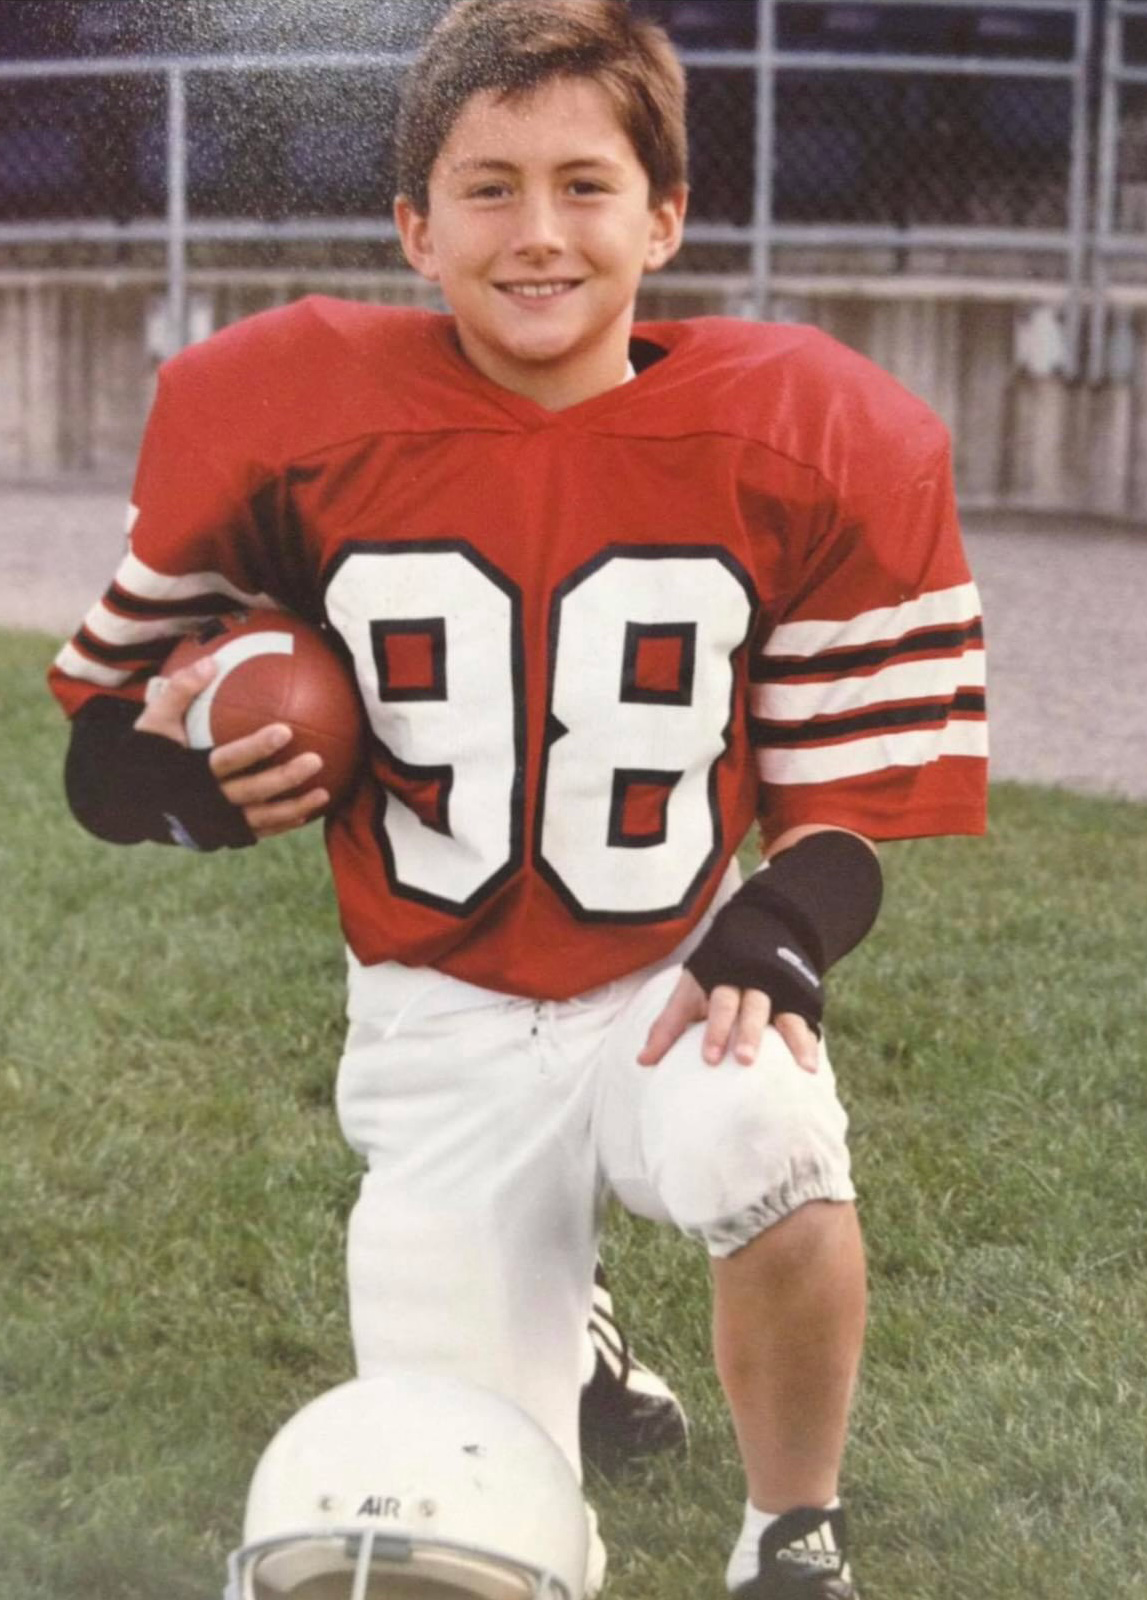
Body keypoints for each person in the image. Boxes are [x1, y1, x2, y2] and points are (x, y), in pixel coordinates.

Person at [49, 1, 988, 1594]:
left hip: (665, 972)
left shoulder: (808, 433)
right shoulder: (294, 418)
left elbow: (848, 808)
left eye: (583, 185)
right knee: (458, 1526)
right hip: (439, 1014)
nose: (536, 233)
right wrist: (191, 788)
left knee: (766, 1130)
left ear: (665, 216)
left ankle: (789, 1533)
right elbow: (108, 739)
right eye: (486, 189)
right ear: (412, 226)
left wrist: (775, 930)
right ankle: (569, 1331)